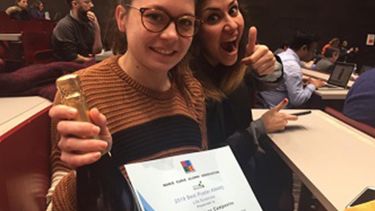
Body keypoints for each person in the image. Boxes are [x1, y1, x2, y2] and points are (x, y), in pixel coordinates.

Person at [47, 0, 205, 210]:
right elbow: (57, 199)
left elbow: (198, 175)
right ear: (122, 18)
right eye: (155, 17)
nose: (171, 35)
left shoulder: (192, 90)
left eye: (185, 22)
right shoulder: (80, 91)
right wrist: (94, 167)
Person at [191, 1, 298, 210]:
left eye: (233, 11)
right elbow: (210, 162)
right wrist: (260, 127)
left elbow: (267, 79)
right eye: (213, 18)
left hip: (245, 179)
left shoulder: (232, 63)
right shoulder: (189, 86)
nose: (232, 25)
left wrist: (271, 67)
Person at [261, 31, 325, 108]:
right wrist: (313, 85)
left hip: (265, 103)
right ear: (304, 48)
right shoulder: (293, 66)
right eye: (313, 50)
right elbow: (297, 100)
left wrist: (300, 81)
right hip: (274, 109)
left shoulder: (281, 56)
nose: (314, 55)